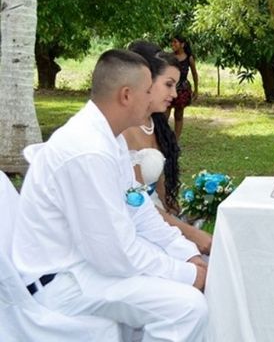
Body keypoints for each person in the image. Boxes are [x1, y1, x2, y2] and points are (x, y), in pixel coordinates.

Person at [12, 49, 208, 341]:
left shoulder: (110, 138)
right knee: (187, 307)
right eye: (147, 90)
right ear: (126, 95)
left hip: (87, 265)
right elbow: (116, 254)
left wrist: (189, 254)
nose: (153, 96)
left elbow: (139, 209)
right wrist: (188, 275)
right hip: (61, 280)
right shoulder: (88, 149)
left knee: (199, 275)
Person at [124, 41, 213, 255]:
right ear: (147, 82)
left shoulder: (156, 123)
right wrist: (188, 233)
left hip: (158, 213)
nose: (175, 94)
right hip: (138, 220)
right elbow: (135, 202)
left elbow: (158, 180)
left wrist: (172, 207)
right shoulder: (124, 130)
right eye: (169, 84)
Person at [166, 35, 198, 140]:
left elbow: (194, 73)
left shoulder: (189, 58)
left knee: (179, 115)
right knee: (164, 114)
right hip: (169, 88)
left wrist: (196, 89)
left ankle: (176, 139)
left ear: (182, 44)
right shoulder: (169, 57)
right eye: (172, 42)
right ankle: (163, 137)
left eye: (175, 42)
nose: (173, 44)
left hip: (182, 90)